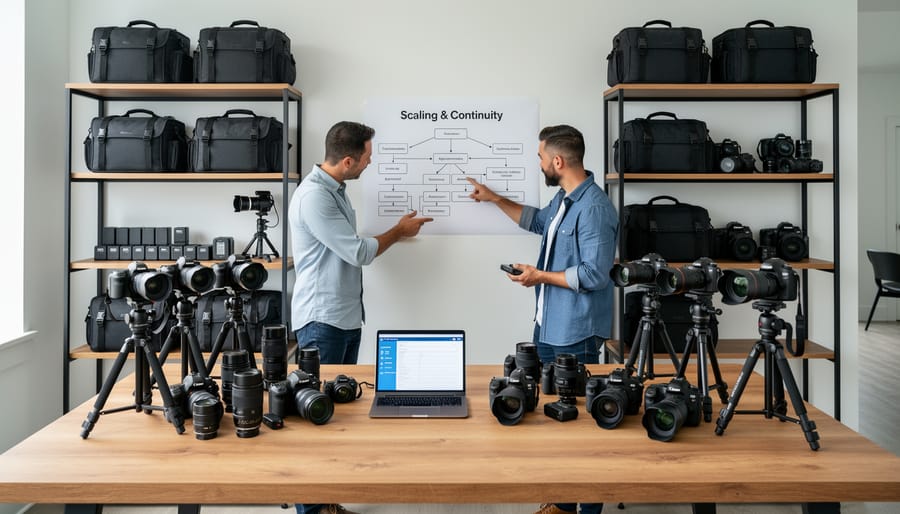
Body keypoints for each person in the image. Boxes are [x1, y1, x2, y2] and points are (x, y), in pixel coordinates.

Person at [467, 124, 618, 514]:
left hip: (578, 333)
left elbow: (594, 274)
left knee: (582, 427)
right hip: (549, 327)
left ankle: (584, 509)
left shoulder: (595, 208)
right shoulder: (565, 200)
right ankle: (563, 504)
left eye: (539, 157)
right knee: (556, 419)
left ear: (557, 160)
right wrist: (493, 198)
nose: (538, 164)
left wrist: (539, 276)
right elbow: (536, 221)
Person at [289, 121, 433, 514]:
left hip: (344, 317)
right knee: (315, 415)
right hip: (323, 320)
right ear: (348, 160)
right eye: (367, 158)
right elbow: (358, 253)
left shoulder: (334, 191)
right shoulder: (314, 198)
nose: (370, 164)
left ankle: (326, 502)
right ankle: (313, 508)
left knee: (335, 411)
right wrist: (398, 231)